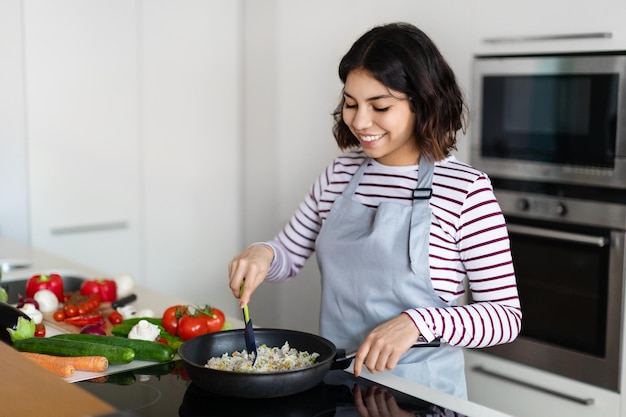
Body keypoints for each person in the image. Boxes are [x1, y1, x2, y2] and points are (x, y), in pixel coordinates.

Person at [228, 22, 521, 399]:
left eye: (379, 106)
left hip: (421, 396)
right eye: (351, 104)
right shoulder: (340, 173)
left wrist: (419, 321)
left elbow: (504, 317)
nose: (360, 122)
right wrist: (262, 253)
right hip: (337, 385)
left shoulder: (466, 190)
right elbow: (288, 254)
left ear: (423, 102)